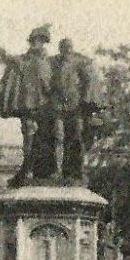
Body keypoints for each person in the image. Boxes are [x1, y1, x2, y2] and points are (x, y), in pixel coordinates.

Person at [0, 27, 53, 186]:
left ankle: (41, 169)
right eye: (36, 40)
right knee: (29, 135)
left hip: (47, 106)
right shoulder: (21, 61)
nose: (38, 43)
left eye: (41, 41)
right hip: (28, 105)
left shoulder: (49, 62)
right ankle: (28, 168)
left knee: (46, 137)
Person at [47, 38, 106, 182]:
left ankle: (77, 171)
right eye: (64, 48)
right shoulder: (53, 62)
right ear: (60, 49)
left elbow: (89, 80)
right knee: (58, 136)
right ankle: (58, 170)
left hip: (76, 107)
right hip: (58, 106)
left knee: (76, 138)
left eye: (69, 48)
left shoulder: (79, 62)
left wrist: (86, 101)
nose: (67, 50)